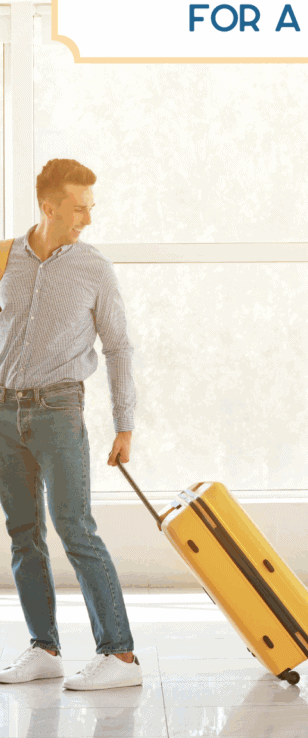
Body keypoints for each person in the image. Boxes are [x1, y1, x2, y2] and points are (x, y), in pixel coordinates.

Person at [0, 159, 142, 690]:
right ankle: (44, 647)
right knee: (23, 534)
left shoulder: (94, 268)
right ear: (49, 205)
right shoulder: (6, 256)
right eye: (79, 207)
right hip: (4, 412)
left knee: (75, 529)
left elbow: (119, 347)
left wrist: (124, 425)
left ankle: (120, 656)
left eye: (90, 207)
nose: (87, 217)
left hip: (60, 411)